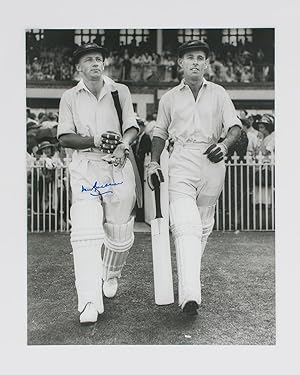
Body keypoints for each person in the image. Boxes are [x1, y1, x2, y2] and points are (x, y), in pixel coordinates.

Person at [147, 40, 242, 315]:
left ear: (207, 63)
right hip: (181, 160)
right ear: (180, 63)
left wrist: (224, 145)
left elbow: (234, 127)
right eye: (190, 58)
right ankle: (190, 296)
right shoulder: (169, 98)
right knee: (186, 225)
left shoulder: (219, 93)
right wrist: (154, 162)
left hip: (213, 160)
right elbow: (159, 133)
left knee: (202, 227)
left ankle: (189, 281)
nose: (196, 62)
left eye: (201, 57)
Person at [57, 43, 139, 324]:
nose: (95, 63)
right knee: (85, 231)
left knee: (119, 234)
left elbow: (131, 126)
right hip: (85, 167)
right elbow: (64, 137)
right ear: (78, 68)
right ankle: (89, 300)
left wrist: (122, 146)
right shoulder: (69, 96)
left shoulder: (120, 91)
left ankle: (111, 274)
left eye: (99, 59)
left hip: (116, 166)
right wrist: (93, 140)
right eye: (88, 60)